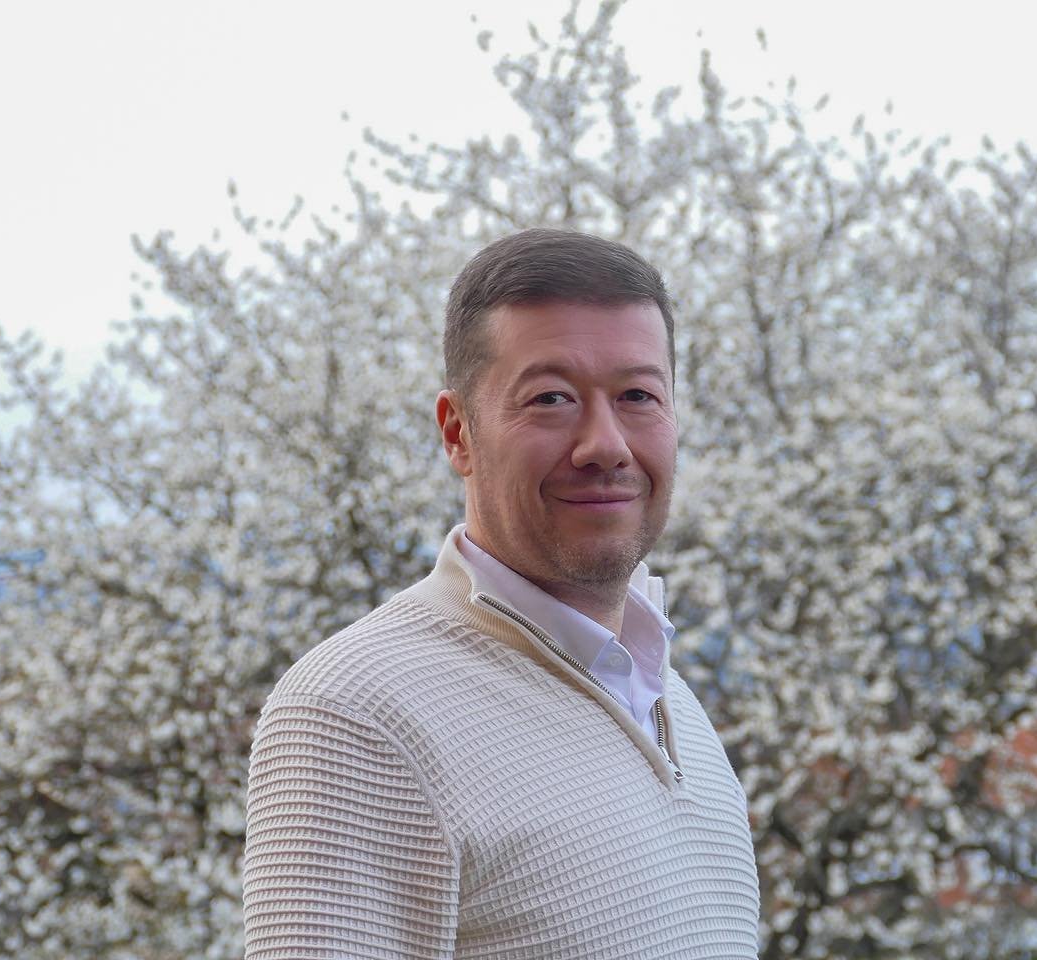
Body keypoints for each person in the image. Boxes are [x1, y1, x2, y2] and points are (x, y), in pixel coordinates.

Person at [242, 229, 761, 958]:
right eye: (551, 399)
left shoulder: (666, 696)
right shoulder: (354, 714)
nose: (605, 445)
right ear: (458, 433)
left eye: (638, 396)